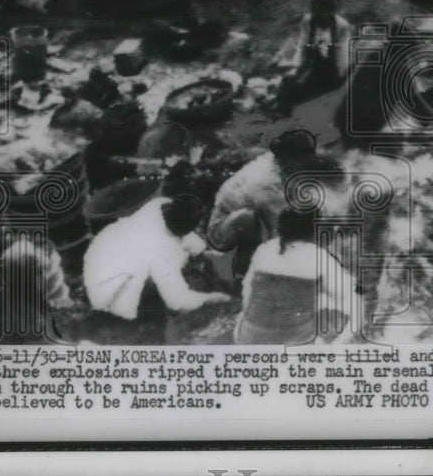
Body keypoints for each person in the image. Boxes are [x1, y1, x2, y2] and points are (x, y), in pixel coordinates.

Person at [83, 162, 229, 320]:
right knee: (145, 300)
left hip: (103, 249)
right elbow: (178, 302)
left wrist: (203, 251)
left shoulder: (160, 205)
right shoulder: (162, 249)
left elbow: (184, 234)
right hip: (108, 283)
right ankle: (117, 314)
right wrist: (212, 298)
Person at [206, 130, 348, 279]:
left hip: (260, 221)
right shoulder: (265, 182)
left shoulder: (285, 162)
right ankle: (245, 272)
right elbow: (282, 230)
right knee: (247, 219)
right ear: (289, 158)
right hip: (225, 234)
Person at [233, 208, 362, 345]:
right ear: (313, 229)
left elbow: (247, 293)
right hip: (294, 340)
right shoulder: (317, 255)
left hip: (249, 336)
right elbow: (344, 292)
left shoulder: (265, 249)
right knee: (355, 305)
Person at [277, 0, 352, 111]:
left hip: (334, 68)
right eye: (314, 8)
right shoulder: (308, 21)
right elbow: (303, 45)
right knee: (289, 82)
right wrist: (299, 68)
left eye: (322, 9)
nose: (318, 12)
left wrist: (340, 75)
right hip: (312, 64)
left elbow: (342, 53)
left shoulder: (342, 26)